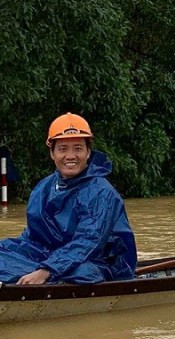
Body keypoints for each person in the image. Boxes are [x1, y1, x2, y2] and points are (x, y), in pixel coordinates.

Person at [0, 113, 137, 285]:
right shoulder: (43, 187)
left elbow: (88, 241)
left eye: (78, 148)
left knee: (81, 274)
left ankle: (43, 280)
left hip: (98, 261)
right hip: (51, 256)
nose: (70, 156)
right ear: (52, 153)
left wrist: (46, 270)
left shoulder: (101, 192)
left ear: (88, 152)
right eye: (63, 149)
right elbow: (34, 237)